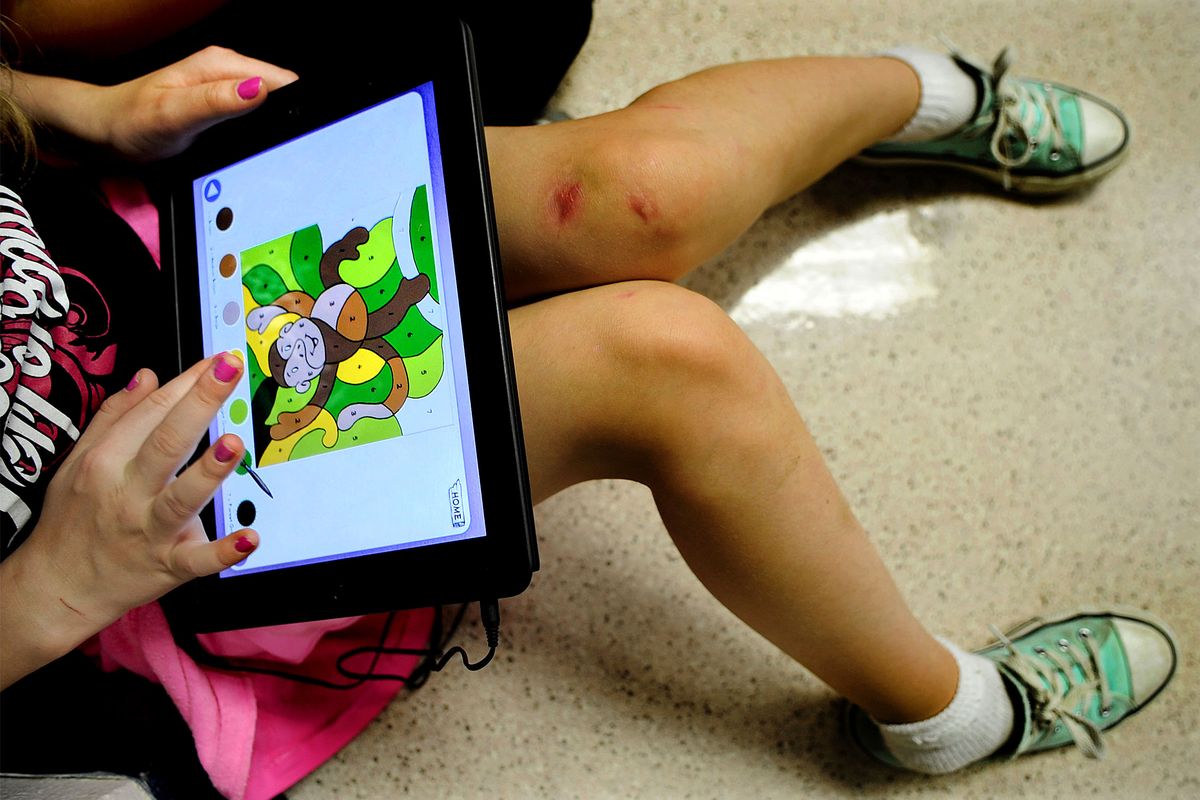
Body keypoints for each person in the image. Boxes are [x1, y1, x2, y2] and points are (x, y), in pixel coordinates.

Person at [0, 27, 1176, 799]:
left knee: (633, 196)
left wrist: (87, 111)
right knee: (665, 358)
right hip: (136, 573)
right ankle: (944, 716)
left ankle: (926, 91)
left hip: (160, 253)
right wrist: (51, 581)